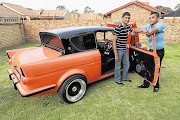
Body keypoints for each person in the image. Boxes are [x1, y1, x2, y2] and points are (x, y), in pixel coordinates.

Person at [134, 12, 165, 92]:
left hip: (159, 51)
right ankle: (146, 84)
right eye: (150, 18)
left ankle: (156, 85)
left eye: (153, 17)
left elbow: (151, 31)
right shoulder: (148, 26)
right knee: (147, 67)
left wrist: (145, 31)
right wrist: (144, 30)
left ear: (158, 18)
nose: (150, 19)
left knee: (156, 68)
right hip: (151, 50)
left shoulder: (161, 25)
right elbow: (136, 30)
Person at [113, 12, 134, 86]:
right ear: (122, 18)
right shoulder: (118, 28)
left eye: (128, 18)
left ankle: (124, 78)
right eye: (126, 18)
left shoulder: (128, 27)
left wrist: (144, 31)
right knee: (118, 66)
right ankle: (117, 80)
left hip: (125, 49)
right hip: (118, 50)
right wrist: (116, 54)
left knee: (127, 65)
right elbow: (114, 41)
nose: (127, 19)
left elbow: (134, 31)